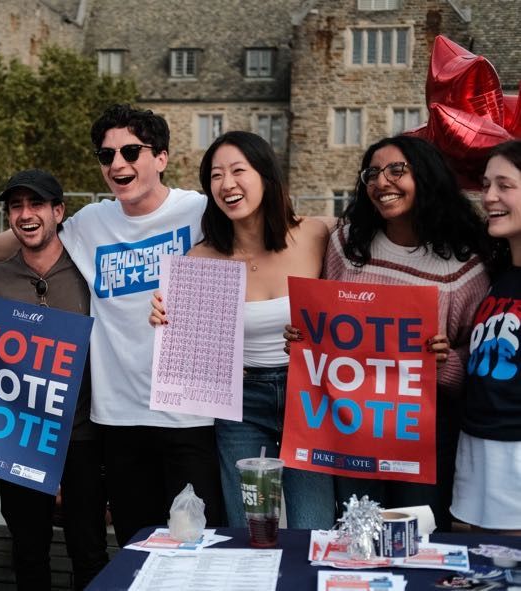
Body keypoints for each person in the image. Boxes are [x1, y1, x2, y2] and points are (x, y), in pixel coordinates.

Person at [0, 104, 224, 545]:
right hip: (119, 418)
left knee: (198, 548)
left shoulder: (201, 211)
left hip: (190, 415)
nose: (118, 163)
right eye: (106, 155)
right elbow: (28, 232)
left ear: (162, 158)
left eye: (131, 151)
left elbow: (266, 241)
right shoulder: (91, 222)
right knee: (136, 545)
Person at [286, 135, 490, 531]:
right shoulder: (346, 245)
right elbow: (323, 325)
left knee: (418, 537)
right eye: (373, 173)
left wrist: (446, 362)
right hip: (350, 427)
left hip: (424, 433)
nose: (382, 182)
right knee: (358, 535)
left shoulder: (463, 266)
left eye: (397, 170)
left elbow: (475, 360)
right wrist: (302, 335)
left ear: (427, 177)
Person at [148, 131, 335, 529]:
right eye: (215, 176)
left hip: (310, 397)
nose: (226, 184)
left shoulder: (315, 235)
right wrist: (165, 319)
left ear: (266, 175)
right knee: (248, 528)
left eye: (237, 170)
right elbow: (187, 348)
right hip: (242, 404)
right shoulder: (200, 259)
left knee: (312, 525)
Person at [0, 169, 109, 589]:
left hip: (84, 435)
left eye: (36, 204)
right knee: (28, 551)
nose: (25, 214)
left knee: (88, 549)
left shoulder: (89, 272)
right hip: (20, 436)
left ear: (59, 211)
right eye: (16, 206)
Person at [451, 140, 521, 534]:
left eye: (504, 185)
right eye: (485, 184)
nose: (488, 196)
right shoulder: (496, 276)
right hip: (474, 453)